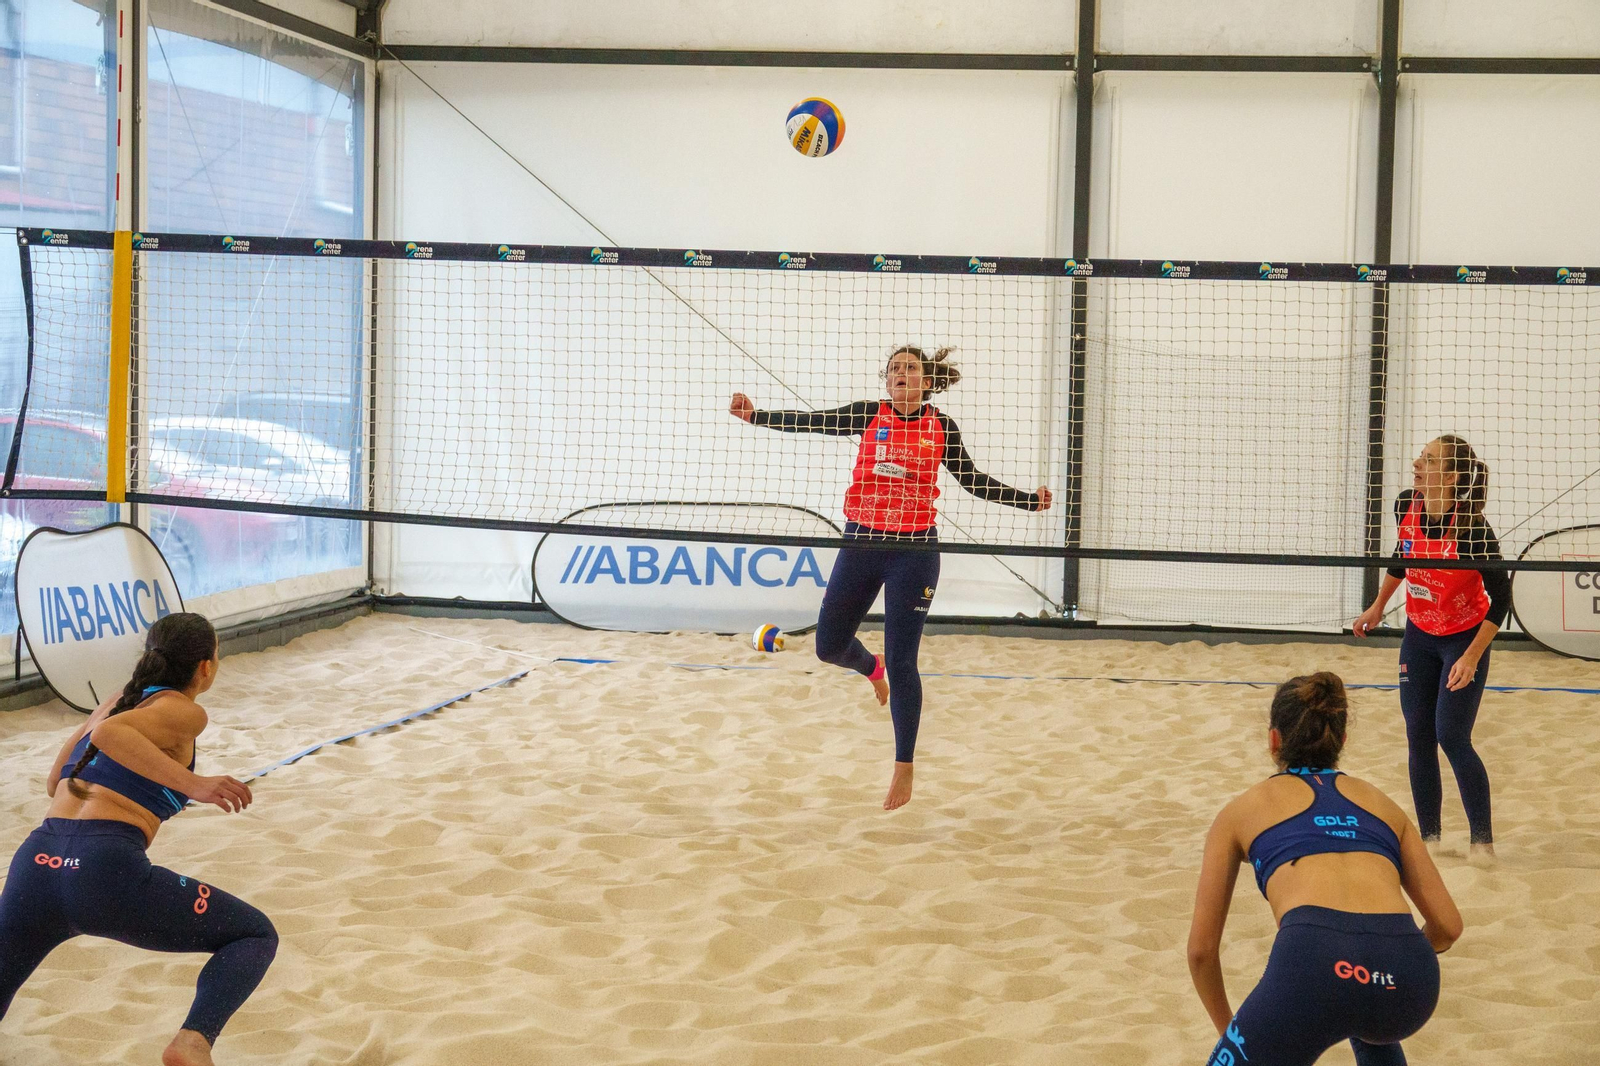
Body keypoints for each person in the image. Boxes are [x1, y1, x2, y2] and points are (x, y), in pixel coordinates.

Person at [731, 345, 1051, 809]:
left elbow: (974, 481)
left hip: (914, 551)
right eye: (894, 369)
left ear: (926, 381)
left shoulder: (940, 427)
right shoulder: (868, 414)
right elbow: (811, 420)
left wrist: (1029, 500)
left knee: (906, 661)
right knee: (827, 647)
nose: (901, 374)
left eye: (911, 368)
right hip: (861, 543)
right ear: (887, 380)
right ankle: (870, 668)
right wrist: (755, 416)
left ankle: (904, 767)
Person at [0, 612, 273, 1066]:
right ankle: (193, 1042)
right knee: (254, 934)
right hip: (103, 868)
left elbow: (55, 781)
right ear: (205, 667)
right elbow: (110, 736)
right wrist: (194, 784)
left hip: (37, 861)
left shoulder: (115, 702)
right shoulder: (184, 711)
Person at [1188, 672, 1462, 1066]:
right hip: (1410, 981)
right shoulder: (1383, 805)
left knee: (1337, 997)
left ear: (1273, 740)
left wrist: (1230, 1031)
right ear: (1342, 741)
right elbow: (1449, 926)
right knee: (1362, 1017)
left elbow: (1200, 952)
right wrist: (1387, 959)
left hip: (1315, 962)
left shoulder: (1240, 811)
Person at [1352, 436, 1508, 858]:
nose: (1418, 462)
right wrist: (1378, 605)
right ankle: (1432, 840)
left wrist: (1471, 657)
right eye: (1422, 456)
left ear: (1452, 477)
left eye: (1430, 459)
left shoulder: (1473, 529)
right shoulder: (1407, 504)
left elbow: (1502, 600)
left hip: (1463, 638)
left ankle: (1482, 843)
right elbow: (1401, 557)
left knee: (1452, 736)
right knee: (1418, 735)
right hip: (1419, 638)